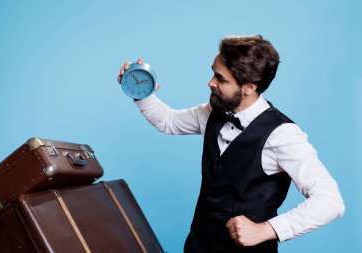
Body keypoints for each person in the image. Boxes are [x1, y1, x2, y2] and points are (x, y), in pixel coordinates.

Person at [117, 35, 345, 253]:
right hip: (198, 246)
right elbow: (169, 122)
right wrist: (140, 91)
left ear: (249, 87)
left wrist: (268, 229)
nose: (211, 83)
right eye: (213, 73)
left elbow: (330, 201)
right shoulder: (213, 111)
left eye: (221, 79)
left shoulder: (282, 135)